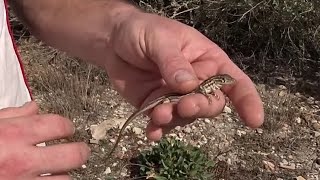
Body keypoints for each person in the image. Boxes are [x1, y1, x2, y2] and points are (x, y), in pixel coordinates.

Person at [0, 0, 264, 179]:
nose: (225, 85)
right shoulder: (210, 86)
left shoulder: (210, 84)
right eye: (223, 83)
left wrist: (117, 25)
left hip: (25, 142)